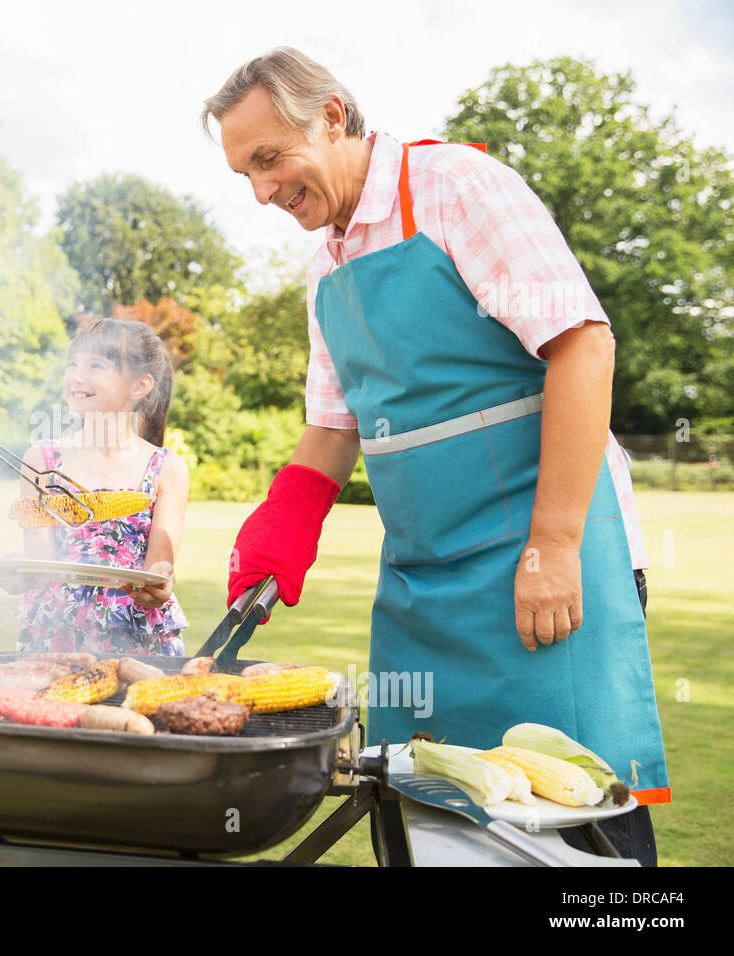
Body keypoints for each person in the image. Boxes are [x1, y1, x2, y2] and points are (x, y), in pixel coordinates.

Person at [203, 48, 667, 864]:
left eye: (269, 159)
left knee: (576, 805)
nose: (261, 190)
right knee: (431, 814)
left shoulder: (456, 188)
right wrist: (282, 529)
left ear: (334, 118)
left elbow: (584, 347)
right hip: (423, 581)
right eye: (245, 172)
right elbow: (332, 429)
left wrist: (555, 544)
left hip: (541, 558)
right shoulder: (324, 268)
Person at [0, 318, 191, 656]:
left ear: (140, 386)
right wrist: (20, 572)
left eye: (95, 365)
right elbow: (39, 558)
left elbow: (159, 566)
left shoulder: (166, 469)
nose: (76, 377)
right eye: (73, 364)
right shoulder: (42, 462)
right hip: (56, 633)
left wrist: (159, 582)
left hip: (135, 634)